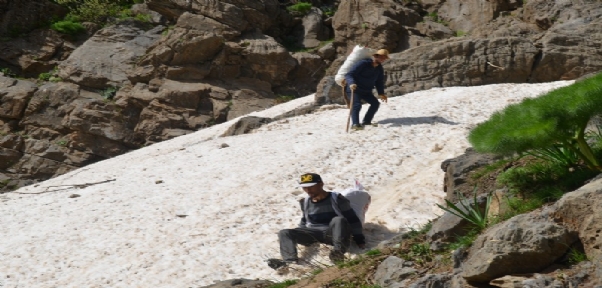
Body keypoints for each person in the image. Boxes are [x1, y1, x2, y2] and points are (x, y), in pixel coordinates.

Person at [267, 173, 366, 270]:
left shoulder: (336, 199)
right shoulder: (304, 202)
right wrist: (297, 233)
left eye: (311, 186)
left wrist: (359, 239)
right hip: (314, 234)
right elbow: (304, 221)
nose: (308, 190)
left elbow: (352, 218)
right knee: (284, 232)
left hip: (334, 233)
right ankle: (290, 262)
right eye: (304, 187)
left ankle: (338, 252)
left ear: (321, 184)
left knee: (338, 220)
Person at [344, 48, 390, 131]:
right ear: (376, 56)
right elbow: (349, 74)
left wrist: (381, 93)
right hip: (355, 89)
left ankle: (366, 121)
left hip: (366, 90)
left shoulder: (379, 68)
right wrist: (351, 83)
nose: (383, 60)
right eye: (382, 57)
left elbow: (379, 82)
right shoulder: (363, 63)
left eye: (384, 58)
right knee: (357, 105)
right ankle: (355, 124)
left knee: (375, 104)